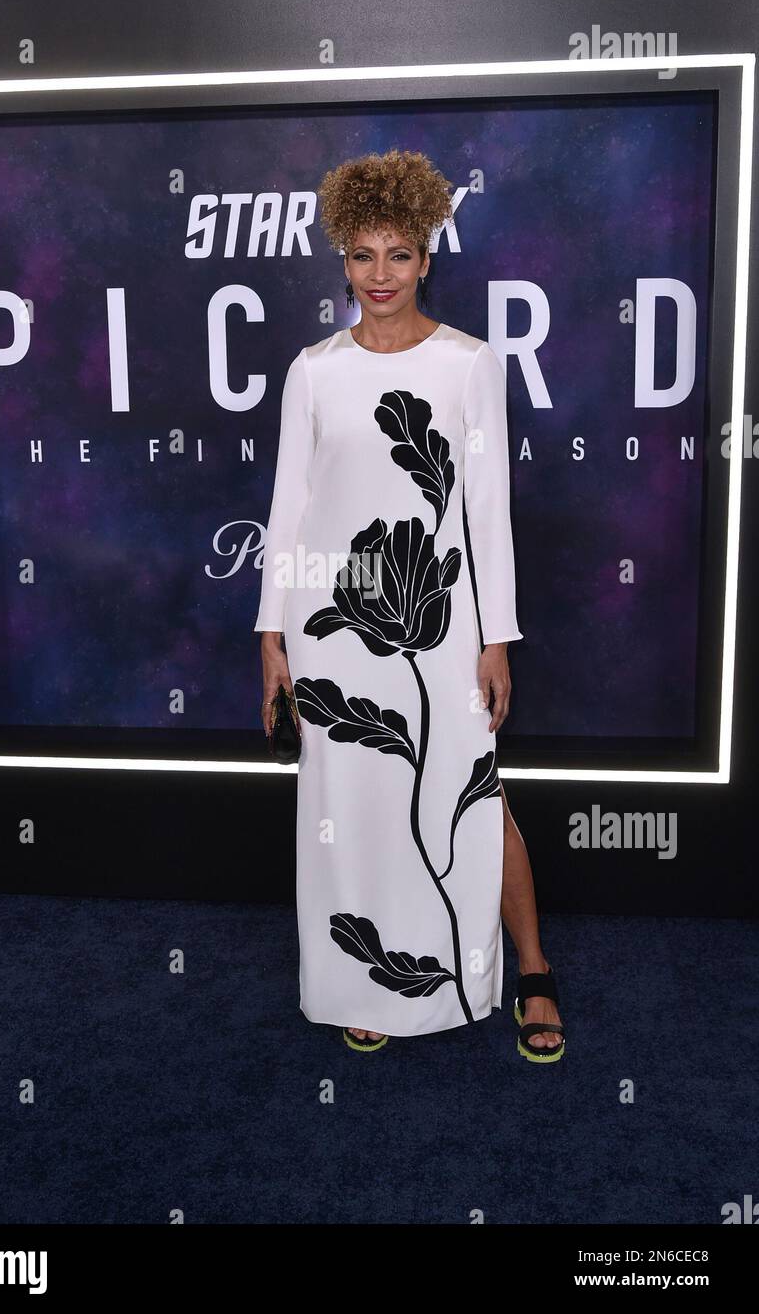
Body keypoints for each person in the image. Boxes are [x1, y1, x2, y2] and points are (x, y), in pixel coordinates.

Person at [255, 149, 565, 1061]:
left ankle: (529, 968)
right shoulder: (310, 371)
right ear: (341, 262)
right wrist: (271, 637)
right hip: (332, 627)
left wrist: (495, 640)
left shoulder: (469, 365)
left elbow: (488, 517)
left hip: (444, 623)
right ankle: (369, 978)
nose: (379, 275)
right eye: (361, 255)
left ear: (427, 257)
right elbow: (288, 508)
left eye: (397, 254)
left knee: (469, 794)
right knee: (352, 801)